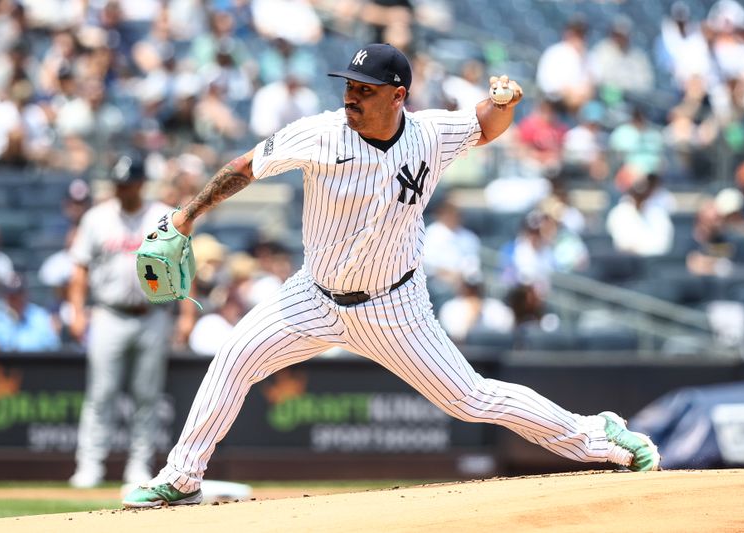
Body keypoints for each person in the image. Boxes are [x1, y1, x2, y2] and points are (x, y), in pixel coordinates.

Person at [123, 43, 660, 508]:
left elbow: (483, 125)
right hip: (314, 295)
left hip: (394, 306)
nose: (351, 96)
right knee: (234, 359)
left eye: (366, 89)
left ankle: (598, 435)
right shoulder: (319, 135)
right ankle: (181, 477)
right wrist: (186, 215)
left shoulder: (428, 134)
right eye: (349, 85)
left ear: (398, 95)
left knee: (471, 400)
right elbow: (246, 166)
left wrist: (502, 104)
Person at [67, 155, 176, 488]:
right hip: (108, 312)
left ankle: (139, 465)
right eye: (118, 183)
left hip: (153, 313)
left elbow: (184, 266)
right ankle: (90, 464)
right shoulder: (97, 218)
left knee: (148, 395)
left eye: (128, 183)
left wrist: (185, 314)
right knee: (101, 392)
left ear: (142, 183)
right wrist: (76, 310)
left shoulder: (162, 216)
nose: (122, 189)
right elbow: (80, 269)